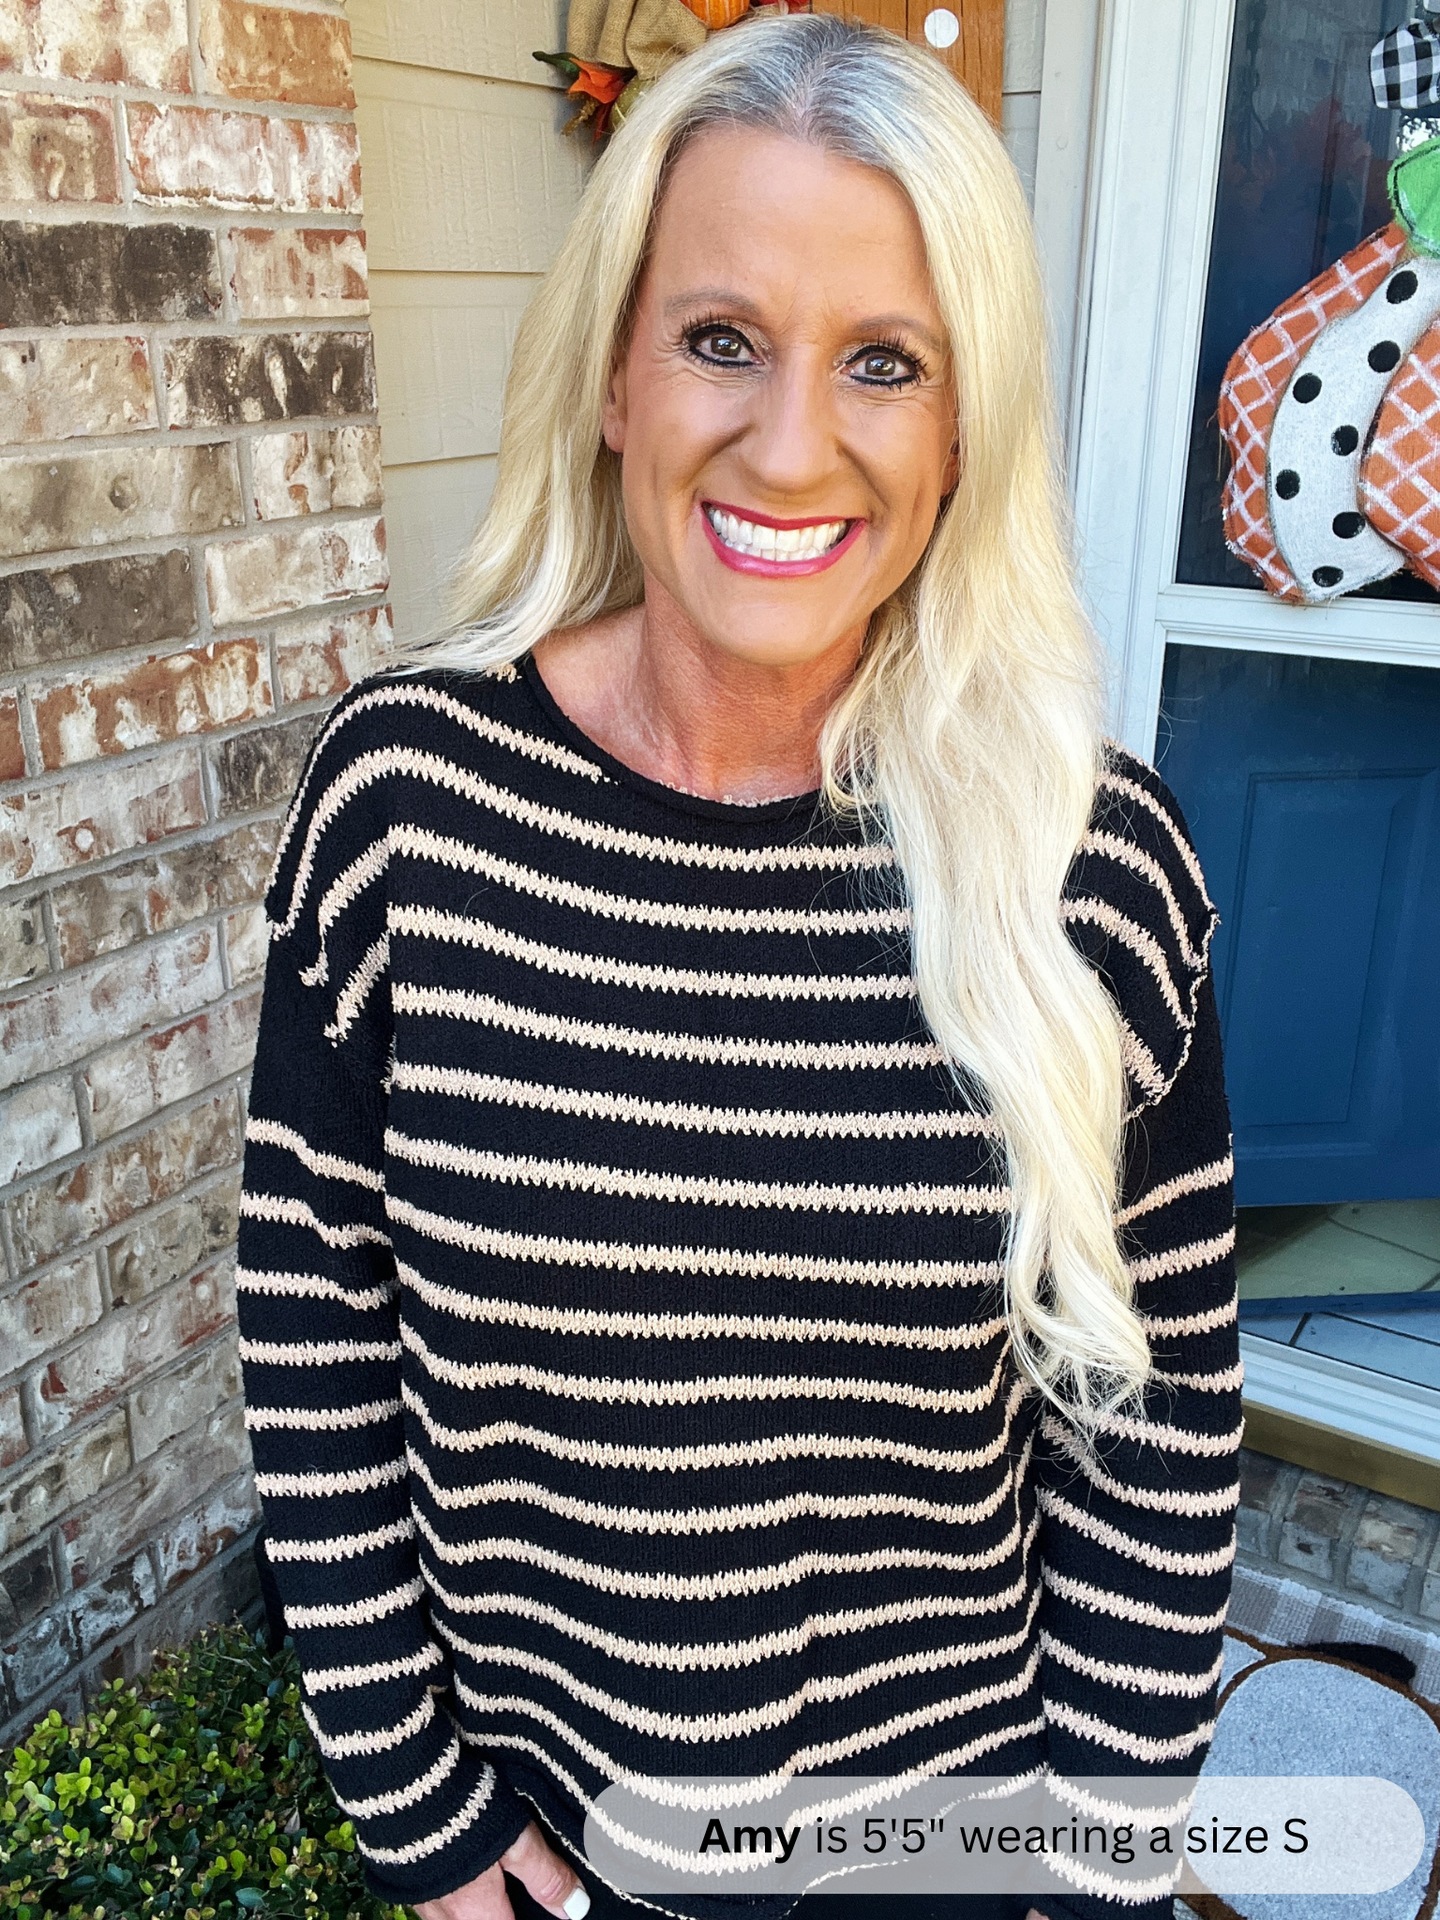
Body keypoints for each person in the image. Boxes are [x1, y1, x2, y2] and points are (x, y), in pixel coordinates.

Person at [236, 16, 1240, 1920]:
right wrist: (414, 1802)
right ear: (613, 374)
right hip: (544, 1866)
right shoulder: (403, 809)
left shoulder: (1093, 868)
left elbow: (1155, 1421)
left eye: (885, 361)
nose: (792, 442)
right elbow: (314, 1316)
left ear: (962, 434)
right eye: (719, 339)